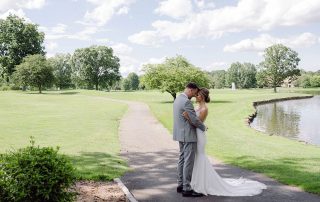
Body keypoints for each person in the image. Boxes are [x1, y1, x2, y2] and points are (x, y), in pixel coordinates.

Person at [183, 88, 267, 196]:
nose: (195, 96)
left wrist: (187, 117)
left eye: (197, 95)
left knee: (200, 156)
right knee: (196, 157)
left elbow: (197, 123)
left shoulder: (204, 109)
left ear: (202, 97)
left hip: (200, 135)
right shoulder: (197, 107)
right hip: (196, 134)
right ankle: (195, 182)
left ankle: (202, 183)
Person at [173, 82, 206, 197]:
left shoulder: (177, 99)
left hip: (179, 134)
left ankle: (180, 185)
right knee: (188, 161)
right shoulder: (186, 101)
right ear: (191, 90)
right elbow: (195, 120)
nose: (194, 96)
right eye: (195, 93)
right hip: (188, 135)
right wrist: (204, 128)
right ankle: (187, 188)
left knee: (182, 159)